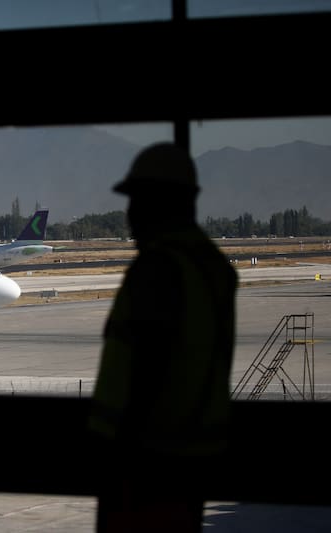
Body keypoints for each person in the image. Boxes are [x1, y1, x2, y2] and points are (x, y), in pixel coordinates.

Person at [87, 142, 238, 532]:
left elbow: (147, 376)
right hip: (191, 456)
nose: (130, 215)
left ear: (164, 202)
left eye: (138, 201)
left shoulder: (158, 271)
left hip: (145, 462)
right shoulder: (213, 268)